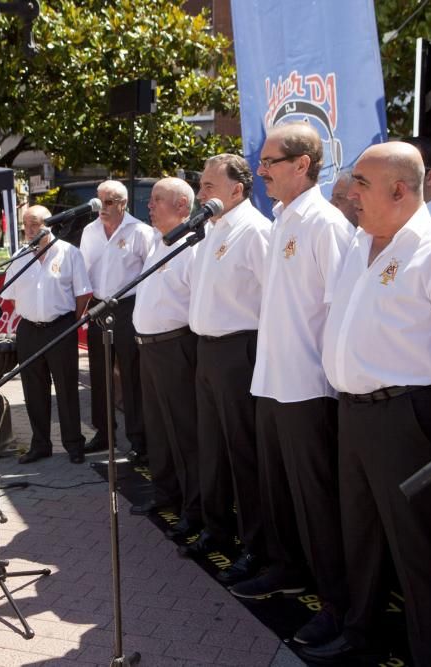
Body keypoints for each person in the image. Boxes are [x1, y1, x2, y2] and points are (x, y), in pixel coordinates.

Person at [307, 142, 431, 666]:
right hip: (355, 411)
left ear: (400, 190)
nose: (350, 194)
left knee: (416, 545)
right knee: (359, 534)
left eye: (360, 183)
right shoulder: (360, 244)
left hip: (408, 415)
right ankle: (360, 632)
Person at [231, 123, 354, 647]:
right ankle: (285, 568)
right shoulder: (281, 219)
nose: (261, 171)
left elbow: (341, 309)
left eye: (271, 162)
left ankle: (337, 605)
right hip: (272, 381)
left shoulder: (324, 223)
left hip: (308, 386)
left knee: (317, 505)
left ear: (303, 164)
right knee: (278, 493)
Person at [180, 153, 271, 589]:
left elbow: (274, 301)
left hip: (239, 350)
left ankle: (255, 544)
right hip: (208, 350)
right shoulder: (211, 230)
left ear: (237, 190)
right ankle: (217, 529)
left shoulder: (255, 231)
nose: (201, 195)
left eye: (209, 187)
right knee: (212, 447)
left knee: (243, 453)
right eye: (200, 186)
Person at [129, 177, 201, 533]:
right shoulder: (159, 243)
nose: (150, 206)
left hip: (176, 346)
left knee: (183, 432)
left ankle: (194, 507)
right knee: (158, 428)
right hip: (151, 349)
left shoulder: (192, 246)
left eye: (158, 200)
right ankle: (165, 494)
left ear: (182, 207)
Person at [2, 205, 92, 465]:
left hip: (61, 326)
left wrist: (69, 322)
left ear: (49, 224)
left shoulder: (69, 253)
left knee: (66, 388)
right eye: (26, 224)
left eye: (35, 224)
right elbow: (8, 293)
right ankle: (40, 444)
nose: (29, 230)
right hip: (29, 329)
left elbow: (83, 292)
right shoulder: (19, 255)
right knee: (33, 390)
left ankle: (74, 444)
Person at [79, 180, 154, 460]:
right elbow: (84, 272)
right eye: (99, 201)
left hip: (128, 306)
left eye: (109, 202)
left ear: (122, 204)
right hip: (99, 306)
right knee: (98, 371)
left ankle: (138, 437)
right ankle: (103, 431)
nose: (102, 208)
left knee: (131, 373)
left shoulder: (140, 232)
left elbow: (151, 273)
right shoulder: (89, 231)